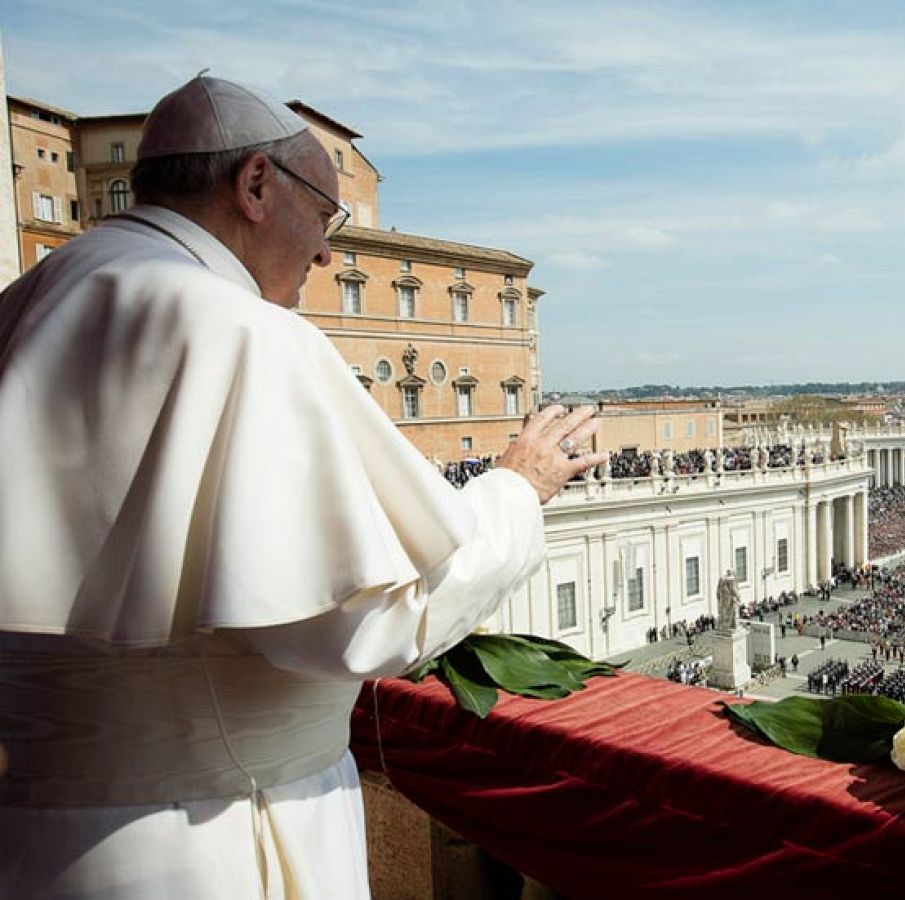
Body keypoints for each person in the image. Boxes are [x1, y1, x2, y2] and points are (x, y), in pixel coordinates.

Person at [0, 75, 607, 899]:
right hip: (208, 840)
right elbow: (367, 625)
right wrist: (517, 488)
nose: (325, 255)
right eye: (324, 216)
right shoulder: (246, 332)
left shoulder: (25, 304)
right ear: (255, 185)